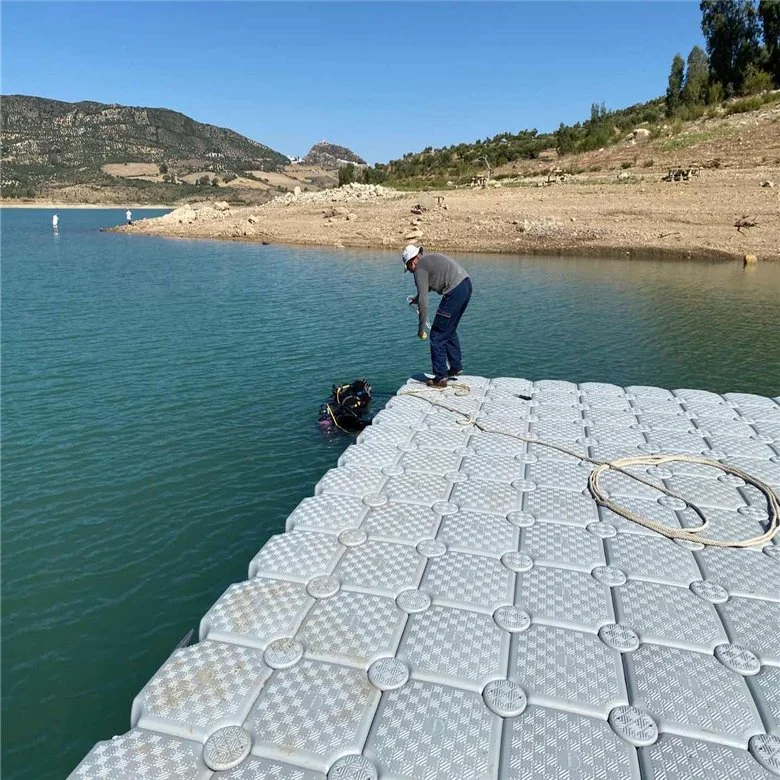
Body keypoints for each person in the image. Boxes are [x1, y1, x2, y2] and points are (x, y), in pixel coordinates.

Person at [402, 244, 472, 388]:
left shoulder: (419, 269)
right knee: (448, 329)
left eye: (408, 268)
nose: (409, 271)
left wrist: (421, 329)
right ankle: (455, 367)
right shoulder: (428, 260)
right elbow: (425, 289)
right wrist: (417, 297)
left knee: (437, 334)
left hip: (454, 291)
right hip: (466, 285)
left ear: (412, 261)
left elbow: (424, 303)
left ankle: (440, 378)